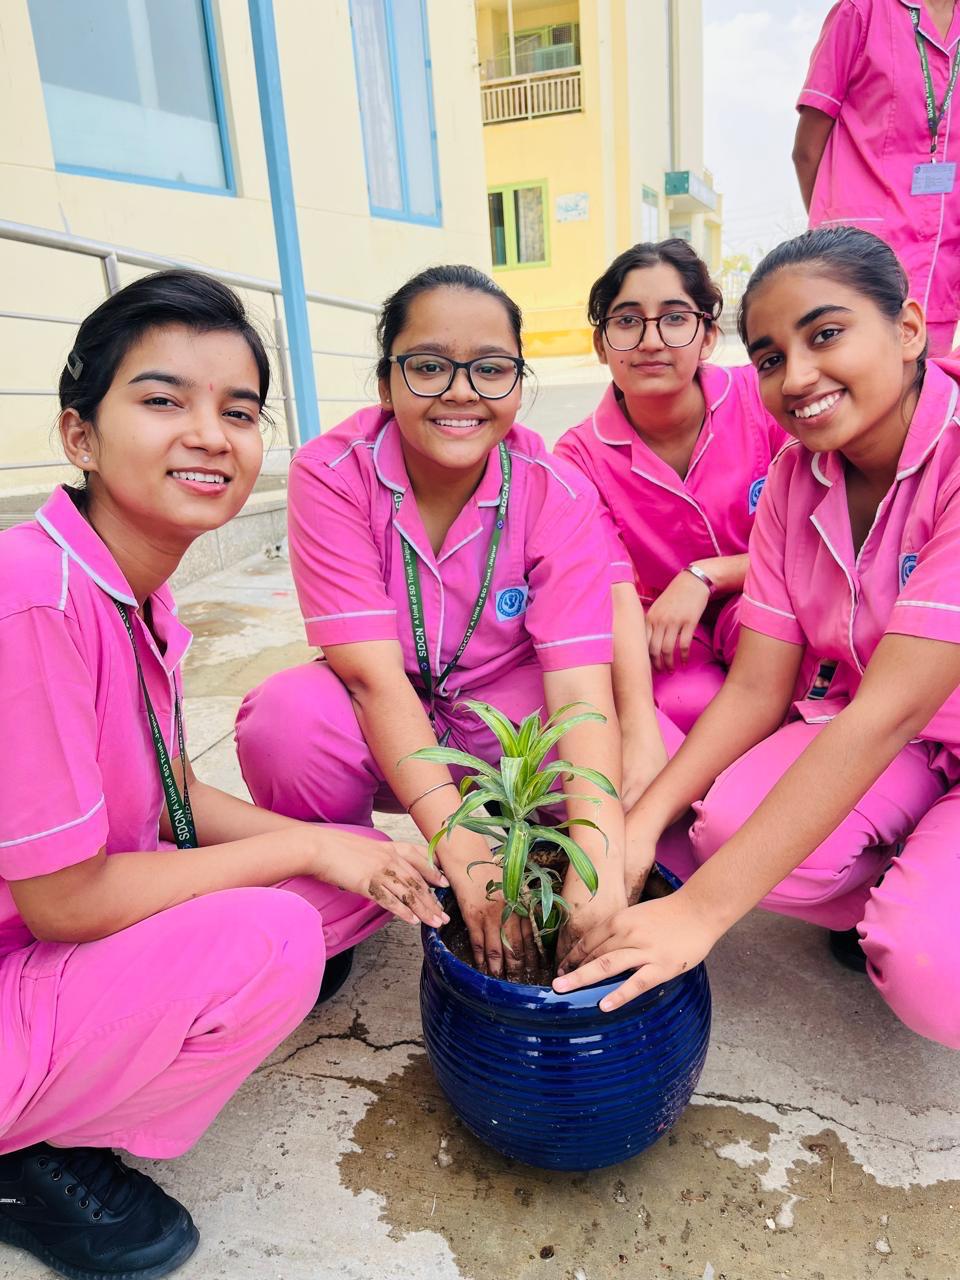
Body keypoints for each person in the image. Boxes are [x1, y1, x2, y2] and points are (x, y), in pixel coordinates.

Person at [0, 270, 446, 1280]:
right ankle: (25, 1154)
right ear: (79, 435)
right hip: (38, 931)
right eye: (164, 400)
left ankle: (130, 1022)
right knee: (274, 936)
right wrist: (304, 848)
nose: (209, 435)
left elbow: (172, 796)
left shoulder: (131, 590)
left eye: (238, 412)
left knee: (366, 867)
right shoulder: (33, 595)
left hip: (58, 926)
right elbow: (66, 901)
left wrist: (337, 849)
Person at [553, 226, 960, 1053]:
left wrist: (699, 914)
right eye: (771, 357)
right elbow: (756, 687)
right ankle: (909, 876)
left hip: (893, 721)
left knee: (927, 968)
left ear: (910, 329)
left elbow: (884, 713)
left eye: (826, 334)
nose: (797, 377)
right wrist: (638, 823)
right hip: (898, 736)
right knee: (719, 830)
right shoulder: (796, 476)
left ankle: (921, 899)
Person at [235, 264, 647, 977]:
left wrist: (598, 855)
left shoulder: (558, 490)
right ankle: (346, 892)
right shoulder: (331, 473)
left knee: (621, 772)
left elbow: (580, 690)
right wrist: (464, 852)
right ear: (386, 381)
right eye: (428, 366)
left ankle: (546, 881)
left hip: (501, 716)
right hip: (384, 708)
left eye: (491, 368)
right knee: (286, 721)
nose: (461, 391)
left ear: (518, 381)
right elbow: (370, 679)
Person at [554, 241, 787, 766]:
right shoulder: (577, 456)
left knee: (787, 672)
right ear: (601, 344)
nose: (651, 341)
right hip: (666, 635)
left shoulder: (761, 396)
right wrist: (638, 731)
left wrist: (708, 575)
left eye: (675, 318)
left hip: (774, 598)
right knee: (686, 706)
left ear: (708, 336)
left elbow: (820, 539)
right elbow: (611, 589)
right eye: (627, 321)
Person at [794, 0, 960, 356]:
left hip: (941, 269)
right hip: (856, 267)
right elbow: (806, 151)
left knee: (926, 388)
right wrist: (832, 230)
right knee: (851, 380)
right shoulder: (860, 11)